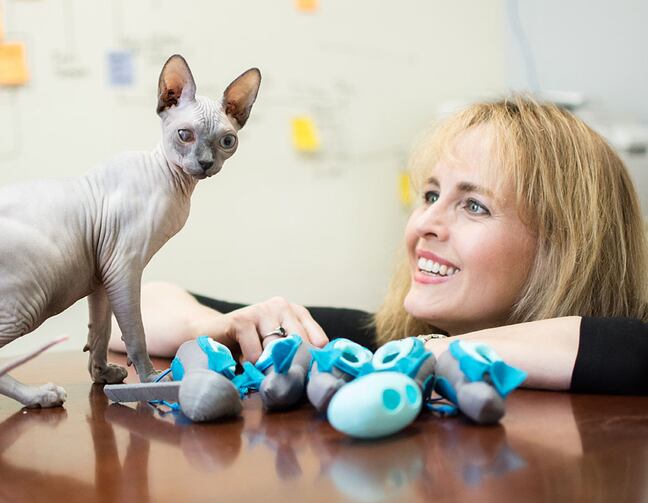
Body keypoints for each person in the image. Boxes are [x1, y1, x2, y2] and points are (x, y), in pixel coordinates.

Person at [109, 95, 648, 395]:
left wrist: (441, 353)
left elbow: (629, 347)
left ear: (565, 248)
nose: (424, 225)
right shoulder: (383, 342)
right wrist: (219, 327)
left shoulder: (623, 349)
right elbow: (126, 313)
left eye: (474, 205)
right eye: (430, 195)